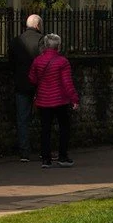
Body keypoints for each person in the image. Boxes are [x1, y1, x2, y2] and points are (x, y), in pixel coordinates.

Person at [29, 32, 79, 167]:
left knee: (45, 129)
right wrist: (74, 99)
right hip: (60, 100)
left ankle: (46, 159)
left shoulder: (37, 61)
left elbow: (32, 79)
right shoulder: (62, 62)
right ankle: (63, 156)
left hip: (43, 100)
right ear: (58, 47)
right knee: (64, 127)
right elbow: (67, 82)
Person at [8, 11, 44, 159]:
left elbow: (11, 63)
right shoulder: (42, 40)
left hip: (21, 84)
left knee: (22, 119)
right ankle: (44, 150)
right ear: (37, 25)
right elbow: (45, 63)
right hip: (39, 85)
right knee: (44, 118)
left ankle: (24, 152)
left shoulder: (16, 41)